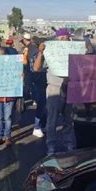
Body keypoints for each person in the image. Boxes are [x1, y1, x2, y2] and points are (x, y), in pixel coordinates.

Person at [34, 28, 75, 156]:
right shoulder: (51, 51)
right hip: (54, 89)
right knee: (51, 121)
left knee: (69, 120)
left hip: (71, 89)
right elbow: (36, 68)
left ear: (69, 39)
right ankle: (51, 147)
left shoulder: (75, 51)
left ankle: (69, 145)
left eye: (65, 38)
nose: (62, 41)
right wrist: (41, 52)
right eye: (60, 39)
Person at [28, 37, 48, 138]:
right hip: (38, 82)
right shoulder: (36, 53)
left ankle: (43, 125)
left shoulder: (34, 52)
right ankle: (37, 127)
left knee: (44, 105)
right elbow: (36, 68)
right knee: (41, 105)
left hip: (42, 82)